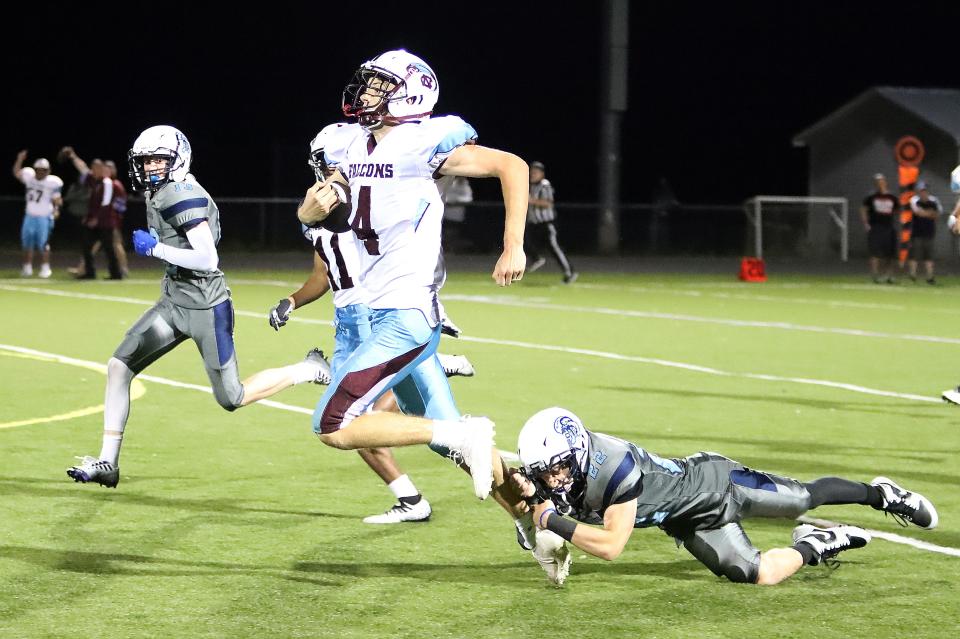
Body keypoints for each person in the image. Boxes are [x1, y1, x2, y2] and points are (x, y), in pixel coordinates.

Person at [296, 50, 530, 522]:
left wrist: (513, 245)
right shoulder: (350, 146)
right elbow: (331, 213)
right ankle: (535, 515)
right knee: (451, 440)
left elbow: (513, 166)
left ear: (411, 93)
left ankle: (467, 445)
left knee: (333, 422)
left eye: (379, 86)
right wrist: (307, 214)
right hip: (378, 312)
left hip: (404, 313)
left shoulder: (424, 141)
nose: (365, 93)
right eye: (367, 84)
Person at [66, 125, 330, 488]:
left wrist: (155, 249)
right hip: (174, 301)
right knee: (118, 367)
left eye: (159, 159)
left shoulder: (180, 194)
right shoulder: (162, 190)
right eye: (145, 161)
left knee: (232, 397)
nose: (150, 167)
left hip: (207, 306)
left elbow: (207, 258)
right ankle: (108, 462)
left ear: (178, 159)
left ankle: (307, 368)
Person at [265, 127, 475, 524]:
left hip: (381, 319)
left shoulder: (384, 193)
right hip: (354, 320)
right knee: (353, 422)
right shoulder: (326, 208)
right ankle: (416, 498)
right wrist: (292, 299)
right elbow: (325, 272)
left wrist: (428, 301)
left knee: (351, 419)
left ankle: (527, 504)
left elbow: (409, 242)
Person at [512, 406, 938, 586]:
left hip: (717, 484)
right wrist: (526, 502)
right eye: (546, 471)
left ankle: (880, 494)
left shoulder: (613, 465)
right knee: (758, 575)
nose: (555, 477)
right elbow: (504, 476)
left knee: (803, 498)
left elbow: (611, 546)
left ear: (579, 451)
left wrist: (548, 519)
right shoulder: (562, 472)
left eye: (559, 466)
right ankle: (818, 543)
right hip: (683, 519)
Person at [60, 147, 124, 280]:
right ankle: (89, 272)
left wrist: (95, 218)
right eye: (94, 168)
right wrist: (73, 156)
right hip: (94, 221)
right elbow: (82, 167)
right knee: (86, 245)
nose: (96, 170)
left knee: (109, 248)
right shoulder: (92, 179)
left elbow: (106, 203)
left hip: (105, 221)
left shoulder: (107, 182)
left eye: (99, 168)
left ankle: (116, 273)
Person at [12, 151, 62, 278]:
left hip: (44, 217)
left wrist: (56, 209)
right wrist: (19, 159)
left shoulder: (52, 182)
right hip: (29, 215)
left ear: (48, 170)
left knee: (43, 244)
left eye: (43, 170)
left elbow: (57, 199)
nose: (41, 172)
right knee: (27, 243)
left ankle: (45, 267)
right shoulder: (29, 176)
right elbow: (16, 173)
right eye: (39, 170)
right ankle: (27, 267)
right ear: (35, 170)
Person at [525, 161, 576, 283]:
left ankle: (570, 272)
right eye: (531, 172)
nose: (532, 174)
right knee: (521, 240)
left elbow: (548, 203)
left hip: (546, 224)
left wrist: (531, 200)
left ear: (542, 174)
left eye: (535, 172)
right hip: (534, 223)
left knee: (554, 248)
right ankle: (537, 259)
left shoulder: (544, 185)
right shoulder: (531, 186)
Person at [860, 173, 899, 284]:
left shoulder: (892, 197)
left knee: (890, 254)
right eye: (877, 182)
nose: (880, 184)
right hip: (876, 227)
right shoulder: (871, 197)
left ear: (885, 182)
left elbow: (897, 210)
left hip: (889, 227)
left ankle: (889, 275)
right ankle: (875, 275)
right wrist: (866, 223)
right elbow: (863, 209)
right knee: (875, 253)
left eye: (881, 181)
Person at [906, 181, 942, 284]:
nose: (923, 193)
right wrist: (930, 213)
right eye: (921, 191)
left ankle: (930, 277)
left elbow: (937, 215)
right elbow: (918, 213)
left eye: (924, 190)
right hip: (917, 232)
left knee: (929, 256)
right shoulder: (914, 200)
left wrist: (926, 213)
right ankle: (912, 275)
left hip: (929, 232)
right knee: (914, 255)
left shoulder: (934, 201)